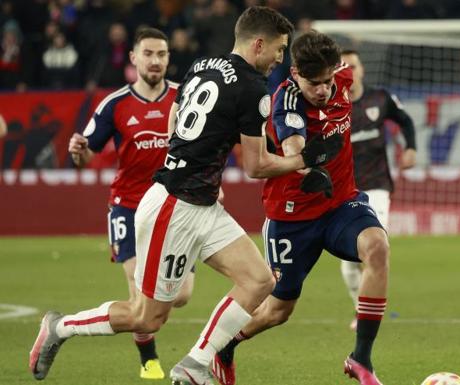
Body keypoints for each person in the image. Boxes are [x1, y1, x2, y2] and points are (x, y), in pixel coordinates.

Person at [29, 7, 342, 384]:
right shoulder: (254, 90)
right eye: (278, 49)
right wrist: (304, 159)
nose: (280, 57)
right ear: (258, 44)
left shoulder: (202, 64)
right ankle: (60, 327)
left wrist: (196, 164)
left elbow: (176, 116)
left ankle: (195, 365)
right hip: (174, 208)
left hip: (202, 202)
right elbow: (256, 166)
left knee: (260, 281)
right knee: (147, 317)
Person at [212, 31, 390, 385]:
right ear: (295, 73)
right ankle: (224, 344)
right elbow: (295, 145)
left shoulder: (343, 77)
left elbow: (343, 80)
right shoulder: (286, 101)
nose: (323, 90)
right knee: (278, 311)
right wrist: (310, 168)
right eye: (314, 84)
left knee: (378, 246)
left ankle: (361, 359)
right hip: (291, 216)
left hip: (341, 203)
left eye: (327, 82)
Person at [64, 27, 190, 380]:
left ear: (168, 58)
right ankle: (148, 358)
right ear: (133, 58)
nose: (155, 61)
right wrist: (79, 152)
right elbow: (86, 157)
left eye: (161, 54)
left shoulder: (185, 97)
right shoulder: (114, 104)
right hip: (129, 206)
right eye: (148, 54)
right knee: (140, 291)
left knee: (179, 295)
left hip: (175, 205)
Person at [340, 49, 416, 331]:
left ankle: (368, 314)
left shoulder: (380, 99)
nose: (350, 70)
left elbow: (405, 120)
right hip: (344, 193)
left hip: (377, 188)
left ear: (361, 70)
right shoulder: (331, 106)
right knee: (347, 265)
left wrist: (410, 148)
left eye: (354, 65)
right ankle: (360, 309)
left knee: (374, 246)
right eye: (344, 66)